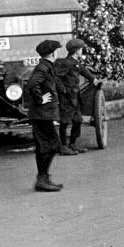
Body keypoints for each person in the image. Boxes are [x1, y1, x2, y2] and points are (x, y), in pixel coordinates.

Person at [25, 38, 65, 192]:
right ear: (53, 53)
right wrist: (40, 99)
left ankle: (44, 178)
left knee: (46, 146)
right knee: (52, 145)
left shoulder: (46, 66)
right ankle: (42, 179)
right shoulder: (43, 67)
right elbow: (31, 84)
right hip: (42, 114)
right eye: (57, 51)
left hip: (43, 114)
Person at [54, 38, 93, 154]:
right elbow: (56, 77)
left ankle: (72, 144)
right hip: (66, 98)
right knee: (64, 121)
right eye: (81, 50)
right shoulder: (65, 63)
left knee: (77, 120)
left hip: (75, 98)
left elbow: (84, 71)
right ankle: (63, 147)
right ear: (76, 51)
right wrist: (62, 89)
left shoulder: (75, 63)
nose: (82, 52)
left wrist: (94, 80)